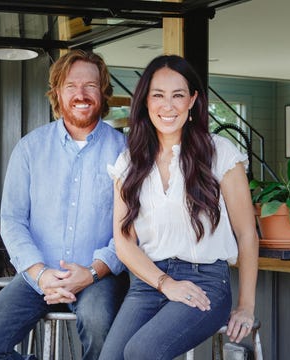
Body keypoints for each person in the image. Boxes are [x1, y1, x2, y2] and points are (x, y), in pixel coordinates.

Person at [0, 50, 129, 360]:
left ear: (103, 92)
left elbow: (132, 228)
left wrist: (92, 272)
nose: (81, 94)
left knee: (98, 325)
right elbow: (12, 219)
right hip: (38, 276)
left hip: (99, 277)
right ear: (57, 93)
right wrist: (40, 274)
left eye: (90, 85)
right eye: (71, 86)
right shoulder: (30, 148)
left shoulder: (125, 151)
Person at [99, 55, 259, 360]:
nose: (167, 106)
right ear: (145, 101)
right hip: (149, 283)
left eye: (178, 95)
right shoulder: (129, 163)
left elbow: (247, 234)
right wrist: (164, 283)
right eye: (158, 95)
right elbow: (123, 242)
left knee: (142, 351)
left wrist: (246, 306)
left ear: (193, 101)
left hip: (206, 281)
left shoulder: (220, 154)